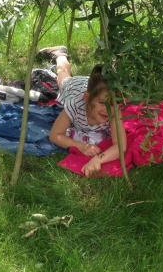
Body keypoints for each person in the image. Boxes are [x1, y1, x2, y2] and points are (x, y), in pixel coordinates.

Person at [39, 46, 127, 177]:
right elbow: (55, 135)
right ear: (87, 99)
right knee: (63, 77)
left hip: (92, 86)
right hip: (73, 86)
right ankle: (60, 54)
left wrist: (98, 159)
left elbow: (120, 145)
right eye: (102, 103)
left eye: (112, 104)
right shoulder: (74, 105)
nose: (107, 109)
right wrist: (81, 146)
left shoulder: (114, 110)